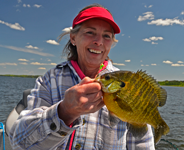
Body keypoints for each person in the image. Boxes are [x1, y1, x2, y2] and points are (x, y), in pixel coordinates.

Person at [9, 3, 155, 150]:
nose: (99, 41)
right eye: (90, 32)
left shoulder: (129, 84)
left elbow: (143, 144)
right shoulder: (49, 80)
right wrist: (64, 111)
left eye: (106, 36)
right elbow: (20, 143)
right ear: (73, 38)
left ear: (111, 43)